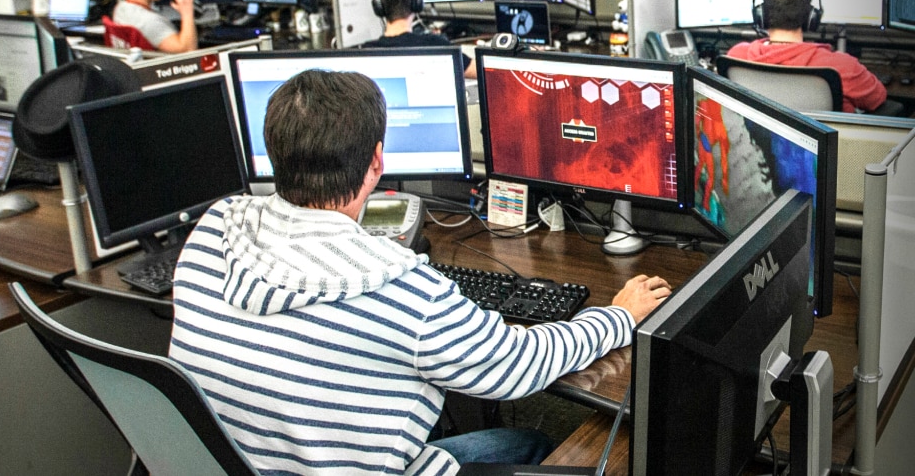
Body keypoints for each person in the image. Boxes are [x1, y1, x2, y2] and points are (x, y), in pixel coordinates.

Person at [168, 69, 672, 474]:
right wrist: (618, 315)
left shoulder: (216, 229)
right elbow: (518, 365)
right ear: (376, 161)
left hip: (246, 460)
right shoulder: (404, 288)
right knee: (532, 444)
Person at [727, 0, 888, 113]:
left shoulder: (737, 56)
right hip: (826, 148)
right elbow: (877, 98)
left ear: (760, 15)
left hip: (760, 145)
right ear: (811, 18)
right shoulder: (840, 66)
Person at [364, 0, 478, 78]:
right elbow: (478, 70)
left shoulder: (365, 52)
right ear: (416, 4)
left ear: (379, 8)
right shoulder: (434, 44)